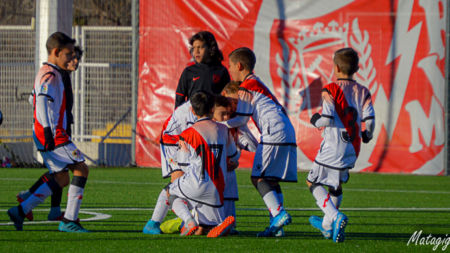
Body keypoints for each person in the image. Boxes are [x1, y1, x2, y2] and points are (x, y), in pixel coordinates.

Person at [7, 32, 90, 233]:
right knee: (81, 169)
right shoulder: (51, 75)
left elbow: (33, 99)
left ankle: (20, 210)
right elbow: (41, 100)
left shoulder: (47, 72)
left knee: (61, 179)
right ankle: (69, 220)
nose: (73, 58)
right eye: (69, 54)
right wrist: (47, 129)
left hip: (48, 133)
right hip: (54, 134)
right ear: (56, 52)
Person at [221, 47, 297, 237]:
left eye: (230, 66)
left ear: (239, 65)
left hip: (274, 131)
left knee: (257, 178)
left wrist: (218, 124)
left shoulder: (246, 86)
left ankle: (278, 214)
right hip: (286, 129)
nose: (229, 70)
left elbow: (242, 120)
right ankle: (276, 225)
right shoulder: (256, 82)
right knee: (271, 180)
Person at [307, 47, 375, 243]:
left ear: (335, 67)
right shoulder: (364, 91)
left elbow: (327, 119)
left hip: (333, 146)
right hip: (352, 149)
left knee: (312, 182)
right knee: (335, 187)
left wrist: (315, 120)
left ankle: (335, 216)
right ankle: (328, 226)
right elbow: (370, 121)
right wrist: (367, 136)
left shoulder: (330, 89)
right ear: (358, 68)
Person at [167, 91, 240, 237]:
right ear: (213, 109)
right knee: (202, 230)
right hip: (218, 189)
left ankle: (188, 220)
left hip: (196, 184)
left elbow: (182, 164)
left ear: (193, 110)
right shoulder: (224, 130)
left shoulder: (187, 133)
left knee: (169, 190)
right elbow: (233, 155)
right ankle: (216, 225)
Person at [143, 98, 197, 235]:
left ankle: (187, 220)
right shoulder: (198, 108)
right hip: (173, 140)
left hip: (186, 138)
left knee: (190, 181)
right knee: (178, 183)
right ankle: (153, 223)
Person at [174, 31, 230, 108]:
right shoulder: (188, 71)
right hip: (193, 117)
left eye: (200, 47)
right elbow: (179, 98)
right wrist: (178, 117)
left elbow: (227, 98)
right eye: (194, 48)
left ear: (211, 49)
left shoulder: (222, 71)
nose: (196, 51)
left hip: (213, 118)